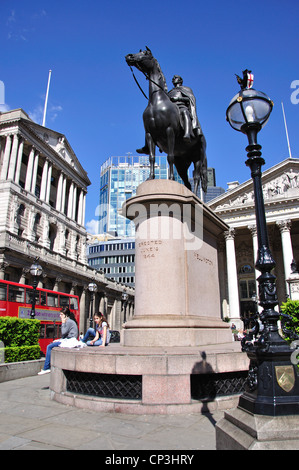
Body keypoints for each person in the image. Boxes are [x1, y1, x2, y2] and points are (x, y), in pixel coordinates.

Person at [38, 306, 78, 375]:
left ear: (66, 315)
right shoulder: (69, 321)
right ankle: (47, 367)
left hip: (70, 341)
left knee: (49, 346)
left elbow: (63, 332)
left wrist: (63, 323)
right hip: (68, 340)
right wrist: (58, 340)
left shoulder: (68, 322)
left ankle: (46, 368)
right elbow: (64, 335)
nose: (60, 316)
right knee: (52, 344)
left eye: (61, 314)